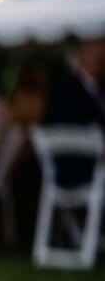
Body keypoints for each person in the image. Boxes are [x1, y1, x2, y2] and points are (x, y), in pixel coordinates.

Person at [42, 39, 105, 188]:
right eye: (96, 54)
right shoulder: (64, 89)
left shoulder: (99, 88)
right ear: (81, 55)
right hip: (78, 166)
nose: (100, 59)